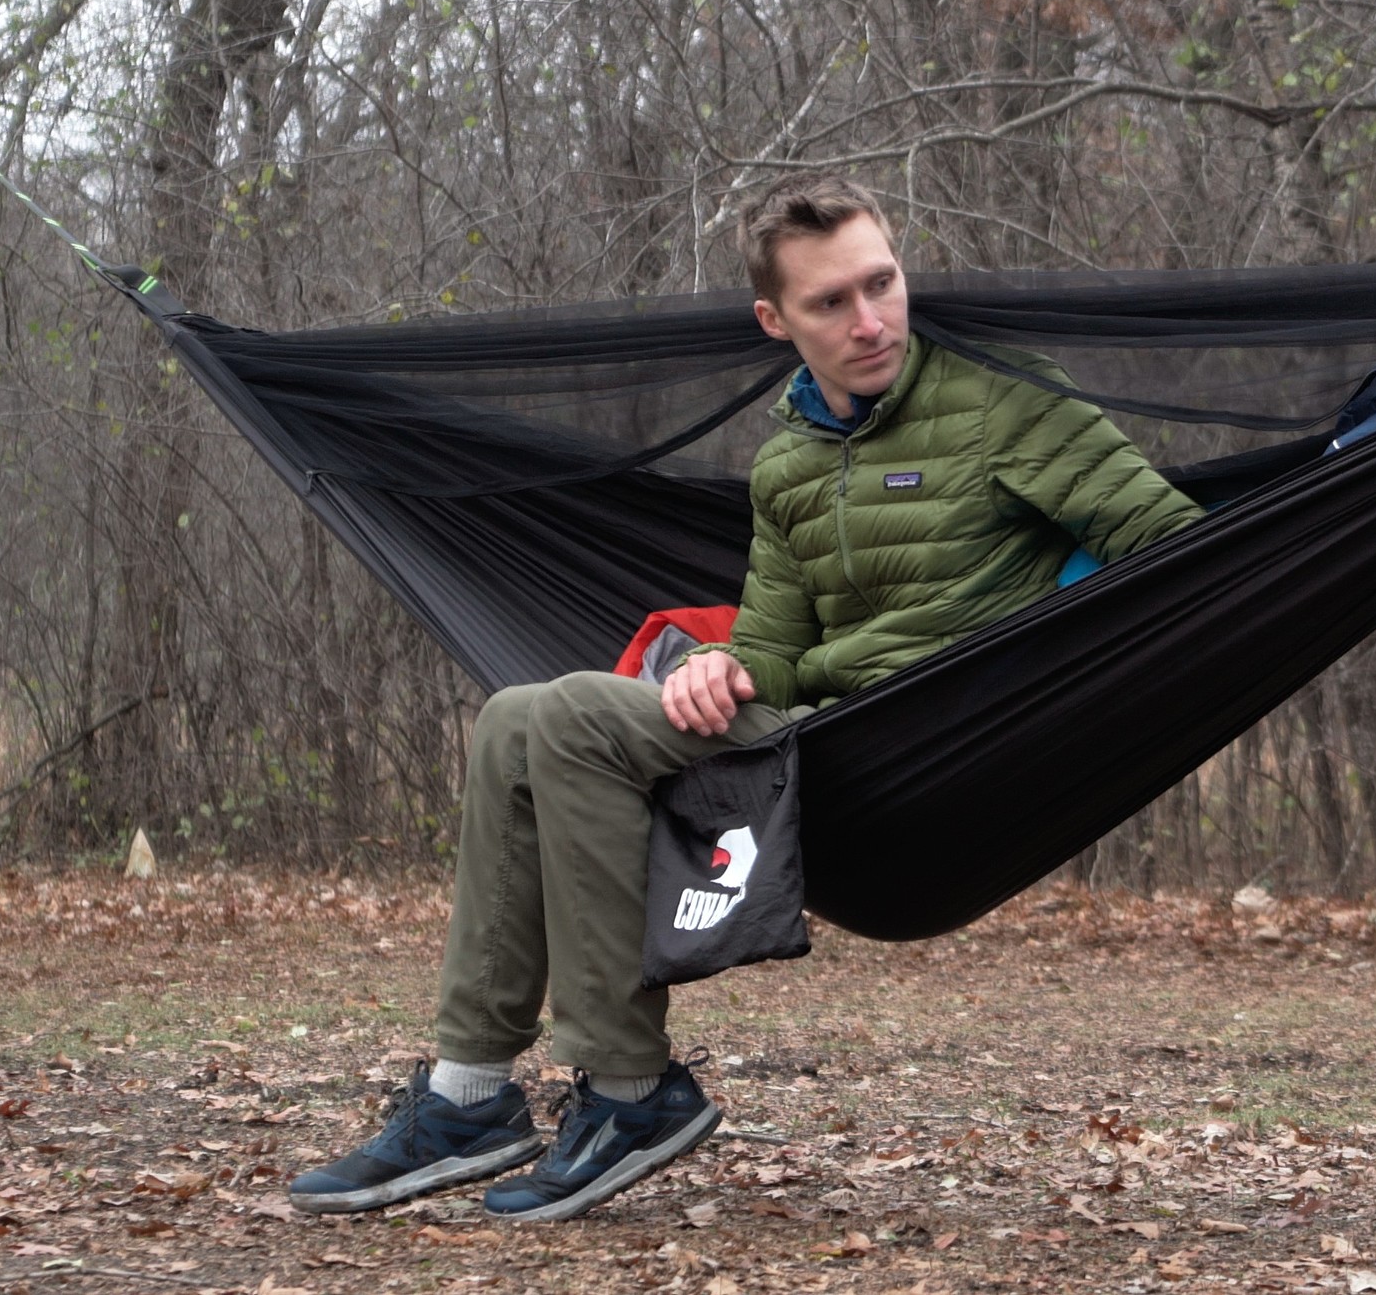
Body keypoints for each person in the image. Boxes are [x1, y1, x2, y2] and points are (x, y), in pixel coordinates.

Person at [289, 174, 1201, 1222]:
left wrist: (1040, 647)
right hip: (822, 740)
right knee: (510, 722)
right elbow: (775, 645)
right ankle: (468, 1098)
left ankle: (629, 1090)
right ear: (775, 321)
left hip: (946, 739)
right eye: (830, 303)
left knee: (578, 716)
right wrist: (728, 667)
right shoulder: (791, 460)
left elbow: (1172, 550)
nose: (870, 322)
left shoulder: (1004, 398)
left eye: (882, 284)